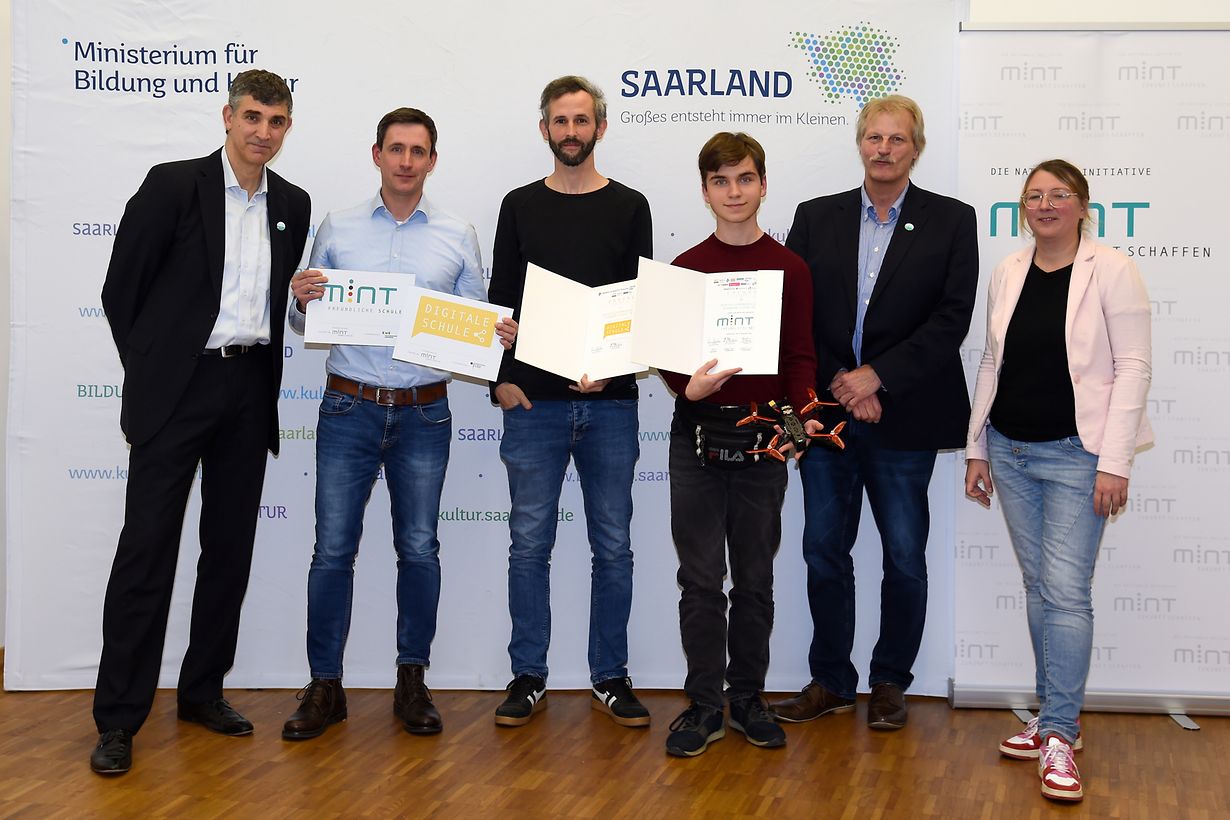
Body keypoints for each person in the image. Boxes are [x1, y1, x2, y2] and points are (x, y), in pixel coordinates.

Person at [92, 70, 311, 775]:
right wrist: (157, 368)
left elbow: (282, 300)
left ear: (286, 128)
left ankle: (201, 691)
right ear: (227, 117)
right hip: (177, 389)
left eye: (275, 121)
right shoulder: (171, 185)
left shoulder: (294, 204)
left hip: (250, 386)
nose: (262, 132)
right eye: (252, 116)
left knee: (229, 550)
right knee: (146, 552)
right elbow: (121, 288)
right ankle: (120, 718)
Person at [280, 108, 515, 741]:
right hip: (347, 409)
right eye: (396, 149)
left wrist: (495, 336)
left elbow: (473, 325)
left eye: (418, 151)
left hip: (425, 413)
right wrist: (300, 304)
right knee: (332, 551)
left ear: (432, 160)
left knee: (419, 549)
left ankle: (412, 680)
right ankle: (325, 685)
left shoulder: (457, 233)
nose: (407, 161)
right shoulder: (339, 226)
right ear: (377, 154)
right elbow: (303, 326)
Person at [773, 94, 978, 730]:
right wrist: (844, 384)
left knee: (904, 556)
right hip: (827, 416)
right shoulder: (816, 216)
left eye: (897, 139)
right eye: (873, 138)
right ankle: (831, 681)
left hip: (906, 416)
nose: (883, 149)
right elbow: (797, 310)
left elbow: (951, 321)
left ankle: (891, 682)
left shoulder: (951, 220)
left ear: (916, 148)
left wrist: (877, 378)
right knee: (822, 553)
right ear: (859, 144)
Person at [964, 159, 1151, 803]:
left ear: (1082, 205)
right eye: (1033, 196)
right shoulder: (1009, 270)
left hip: (1080, 456)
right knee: (1040, 586)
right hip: (1010, 450)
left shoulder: (1114, 269)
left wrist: (1115, 461)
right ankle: (1050, 717)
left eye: (1058, 195)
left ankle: (1062, 735)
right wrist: (977, 447)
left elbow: (1133, 369)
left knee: (1067, 593)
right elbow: (993, 360)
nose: (1044, 205)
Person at [487, 75, 653, 728]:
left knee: (613, 545)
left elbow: (639, 306)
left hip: (611, 406)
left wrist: (612, 370)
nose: (572, 132)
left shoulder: (631, 205)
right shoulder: (519, 205)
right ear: (544, 130)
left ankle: (609, 675)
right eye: (561, 121)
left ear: (600, 129)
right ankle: (529, 674)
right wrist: (500, 377)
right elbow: (502, 300)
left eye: (582, 121)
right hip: (534, 405)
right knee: (529, 545)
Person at [658, 132, 817, 757]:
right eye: (721, 182)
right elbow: (670, 361)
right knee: (700, 580)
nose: (734, 192)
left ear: (763, 185)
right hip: (695, 435)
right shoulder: (686, 268)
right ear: (704, 191)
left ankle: (747, 698)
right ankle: (703, 705)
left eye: (744, 179)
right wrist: (686, 386)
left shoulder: (791, 267)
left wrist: (799, 429)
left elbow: (801, 357)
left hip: (766, 438)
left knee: (754, 580)